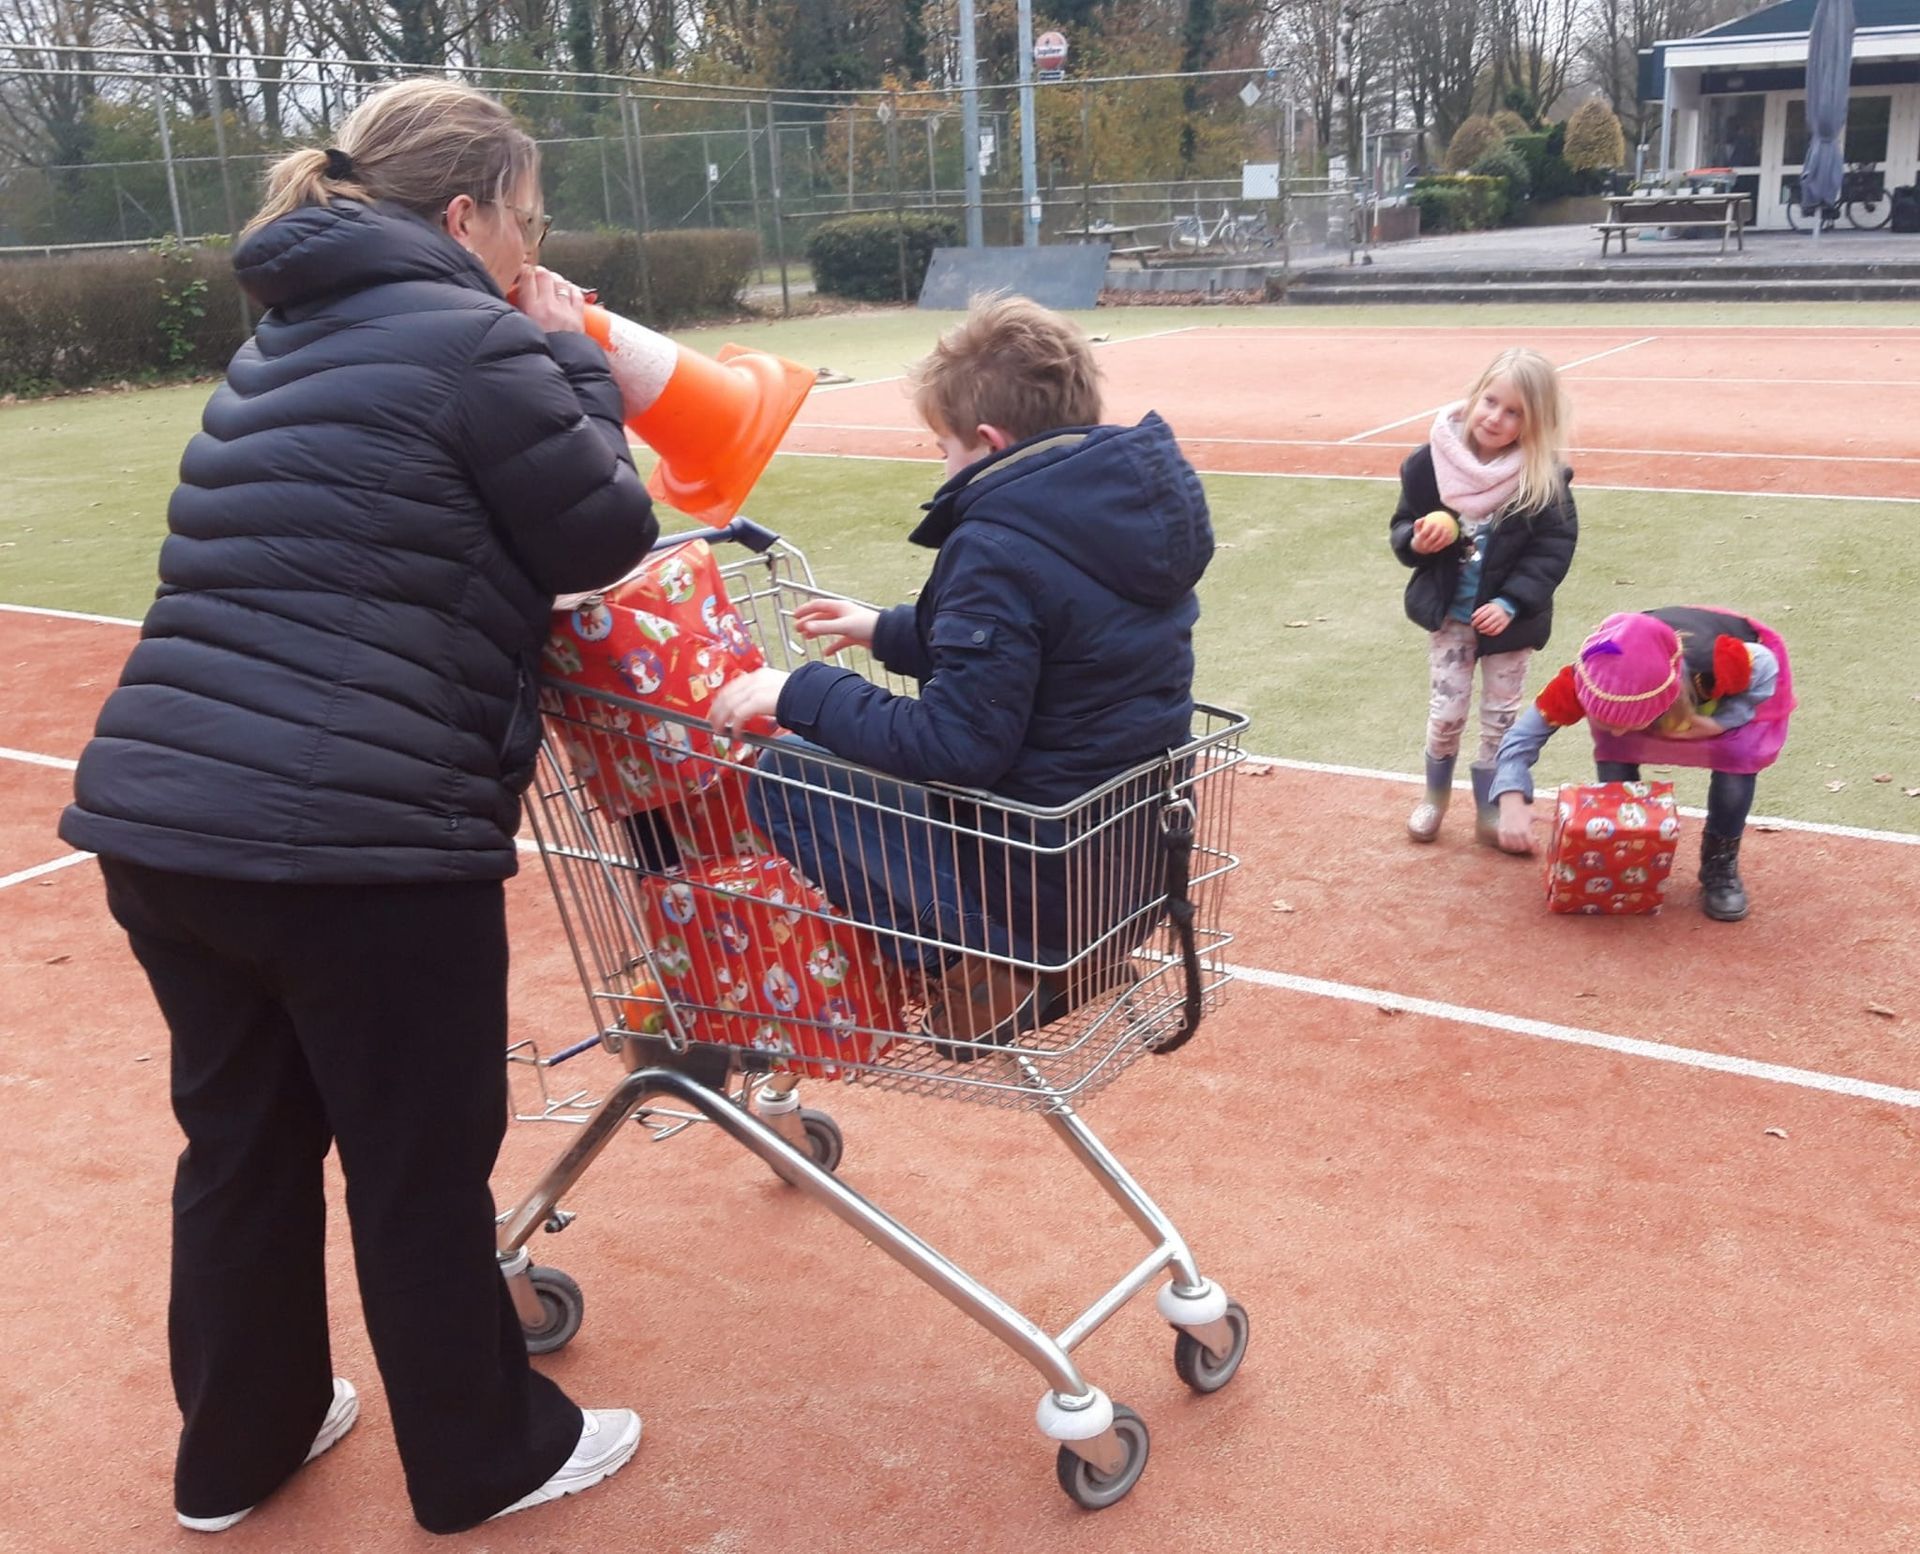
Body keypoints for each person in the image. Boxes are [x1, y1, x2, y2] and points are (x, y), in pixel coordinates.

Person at [57, 78, 658, 1534]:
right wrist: (572, 357)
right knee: (415, 1164)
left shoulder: (278, 340)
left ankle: (238, 1451)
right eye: (525, 222)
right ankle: (487, 1458)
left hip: (165, 820)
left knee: (243, 1147)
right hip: (359, 846)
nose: (531, 248)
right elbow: (604, 531)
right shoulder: (477, 338)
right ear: (463, 216)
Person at [708, 295, 1213, 1043]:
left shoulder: (996, 543)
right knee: (849, 762)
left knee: (787, 773)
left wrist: (799, 690)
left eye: (942, 448)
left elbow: (959, 746)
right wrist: (887, 631)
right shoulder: (1119, 518)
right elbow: (1059, 647)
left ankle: (981, 971)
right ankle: (1039, 961)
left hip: (1035, 889)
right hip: (1125, 878)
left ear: (987, 442)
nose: (942, 466)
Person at [1486, 607, 1795, 921]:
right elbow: (1520, 739)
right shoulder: (1582, 680)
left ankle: (1719, 861)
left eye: (1626, 723)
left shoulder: (1718, 664)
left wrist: (1723, 722)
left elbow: (1766, 666)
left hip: (1709, 702)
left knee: (1738, 757)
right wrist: (1511, 798)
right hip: (1661, 703)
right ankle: (1625, 849)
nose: (1618, 730)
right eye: (1605, 720)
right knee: (1614, 747)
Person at [1388, 347, 1577, 845]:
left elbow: (1552, 550)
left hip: (1508, 624)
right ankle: (1434, 798)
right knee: (1446, 714)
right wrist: (1415, 540)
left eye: (1514, 412)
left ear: (1534, 423)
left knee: (1500, 718)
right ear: (1474, 398)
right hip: (1449, 616)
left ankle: (1490, 808)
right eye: (1490, 401)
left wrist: (1511, 601)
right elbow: (1402, 525)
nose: (1496, 417)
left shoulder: (1541, 478)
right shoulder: (1429, 464)